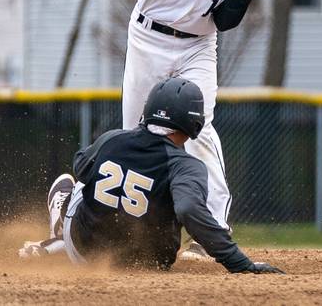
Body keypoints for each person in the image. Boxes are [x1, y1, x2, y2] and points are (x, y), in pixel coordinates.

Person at [121, 0, 291, 259]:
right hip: (150, 38)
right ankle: (129, 228)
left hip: (199, 42)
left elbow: (226, 20)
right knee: (136, 134)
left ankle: (211, 228)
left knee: (201, 127)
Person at [19, 77, 284, 274]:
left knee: (76, 184)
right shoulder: (187, 166)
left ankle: (60, 231)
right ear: (194, 122)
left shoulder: (113, 138)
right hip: (150, 265)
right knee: (161, 200)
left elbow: (81, 166)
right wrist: (239, 263)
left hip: (82, 249)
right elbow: (190, 209)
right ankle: (60, 237)